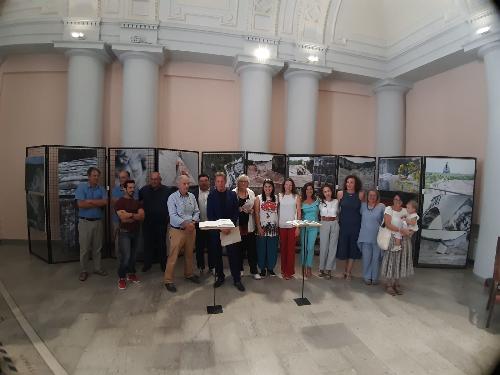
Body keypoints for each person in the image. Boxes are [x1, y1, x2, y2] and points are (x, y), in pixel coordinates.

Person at [207, 172, 245, 291]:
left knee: (233, 254)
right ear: (215, 182)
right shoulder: (211, 195)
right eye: (217, 181)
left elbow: (235, 212)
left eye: (222, 181)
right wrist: (220, 227)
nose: (220, 183)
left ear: (225, 181)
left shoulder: (232, 195)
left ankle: (236, 279)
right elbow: (210, 214)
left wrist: (229, 226)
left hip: (230, 229)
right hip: (217, 230)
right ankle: (220, 277)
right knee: (217, 254)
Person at [164, 175, 201, 293]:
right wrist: (186, 223)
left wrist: (194, 222)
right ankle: (168, 280)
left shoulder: (192, 196)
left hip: (191, 230)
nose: (187, 186)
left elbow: (197, 211)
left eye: (188, 184)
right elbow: (173, 216)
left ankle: (189, 274)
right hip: (177, 231)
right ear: (178, 185)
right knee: (173, 256)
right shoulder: (172, 198)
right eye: (184, 184)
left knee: (189, 254)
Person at [75, 167, 108, 281]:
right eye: (94, 175)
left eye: (97, 175)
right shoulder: (82, 187)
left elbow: (105, 202)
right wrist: (97, 203)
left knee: (97, 248)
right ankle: (83, 270)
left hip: (98, 222)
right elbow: (81, 204)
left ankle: (97, 268)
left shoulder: (102, 188)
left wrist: (90, 201)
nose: (96, 177)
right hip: (85, 223)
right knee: (84, 249)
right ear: (88, 176)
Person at [381, 194, 414, 296]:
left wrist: (410, 231)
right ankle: (389, 284)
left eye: (399, 200)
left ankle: (397, 283)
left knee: (400, 261)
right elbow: (388, 224)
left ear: (402, 202)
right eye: (395, 199)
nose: (397, 201)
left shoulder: (405, 211)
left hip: (404, 240)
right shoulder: (388, 209)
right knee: (391, 260)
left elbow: (412, 223)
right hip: (392, 239)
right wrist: (400, 230)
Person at [139, 172, 171, 272]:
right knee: (147, 244)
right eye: (152, 179)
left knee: (162, 244)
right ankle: (147, 264)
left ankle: (163, 264)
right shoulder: (144, 190)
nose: (154, 181)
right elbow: (138, 203)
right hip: (147, 222)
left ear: (160, 179)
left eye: (156, 179)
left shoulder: (167, 191)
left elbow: (172, 205)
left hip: (161, 222)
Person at [115, 180, 144, 290]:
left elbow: (142, 217)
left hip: (136, 232)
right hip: (124, 233)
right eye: (130, 188)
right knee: (126, 257)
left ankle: (131, 273)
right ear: (124, 188)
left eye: (133, 188)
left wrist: (129, 215)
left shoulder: (137, 202)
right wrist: (134, 215)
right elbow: (123, 218)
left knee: (133, 255)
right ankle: (122, 278)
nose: (132, 190)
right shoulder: (119, 202)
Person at [336, 175, 365, 281]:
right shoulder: (340, 193)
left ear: (355, 184)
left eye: (351, 182)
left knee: (353, 249)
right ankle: (346, 270)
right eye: (347, 182)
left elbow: (364, 209)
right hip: (343, 226)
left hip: (355, 226)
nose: (349, 184)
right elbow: (337, 210)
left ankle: (348, 272)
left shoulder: (361, 194)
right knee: (344, 249)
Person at [233, 174, 260, 279]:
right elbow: (229, 209)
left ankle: (254, 270)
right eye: (241, 181)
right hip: (238, 226)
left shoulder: (251, 192)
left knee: (252, 250)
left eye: (245, 182)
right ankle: (240, 269)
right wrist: (238, 209)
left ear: (248, 183)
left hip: (249, 226)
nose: (243, 183)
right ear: (238, 183)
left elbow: (254, 207)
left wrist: (251, 210)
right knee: (239, 250)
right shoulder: (233, 193)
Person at [358, 189, 385, 285]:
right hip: (365, 236)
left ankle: (374, 277)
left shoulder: (381, 206)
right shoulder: (363, 206)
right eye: (370, 195)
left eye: (374, 195)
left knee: (376, 258)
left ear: (377, 197)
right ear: (367, 196)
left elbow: (385, 221)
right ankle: (366, 276)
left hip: (377, 237)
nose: (372, 197)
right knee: (366, 258)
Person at [254, 179, 279, 278]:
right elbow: (256, 213)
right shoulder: (258, 198)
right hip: (262, 228)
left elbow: (278, 212)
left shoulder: (276, 198)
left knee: (272, 249)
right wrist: (259, 227)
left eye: (270, 186)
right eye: (266, 187)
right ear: (263, 188)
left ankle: (270, 268)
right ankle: (262, 268)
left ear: (272, 188)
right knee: (261, 249)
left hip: (273, 228)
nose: (268, 188)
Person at [278, 178, 301, 280]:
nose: (288, 186)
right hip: (281, 226)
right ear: (284, 185)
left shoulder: (296, 197)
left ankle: (289, 272)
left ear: (293, 186)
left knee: (291, 250)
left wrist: (297, 227)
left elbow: (299, 213)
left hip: (292, 226)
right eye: (286, 184)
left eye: (290, 185)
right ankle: (283, 270)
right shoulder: (279, 196)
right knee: (283, 249)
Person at [111, 170, 138, 257]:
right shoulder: (115, 190)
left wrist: (122, 202)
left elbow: (135, 204)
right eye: (119, 178)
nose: (121, 180)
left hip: (132, 220)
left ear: (128, 178)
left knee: (131, 243)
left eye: (123, 177)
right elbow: (115, 204)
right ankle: (120, 264)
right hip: (117, 220)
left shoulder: (136, 189)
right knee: (118, 243)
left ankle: (130, 264)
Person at [194, 173, 214, 275]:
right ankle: (200, 266)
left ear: (209, 181)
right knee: (199, 247)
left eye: (206, 180)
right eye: (201, 181)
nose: (204, 183)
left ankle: (212, 267)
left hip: (211, 224)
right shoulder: (193, 193)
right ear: (198, 182)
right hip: (198, 225)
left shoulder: (214, 192)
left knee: (212, 247)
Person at [318, 183, 339, 279]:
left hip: (334, 223)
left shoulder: (336, 201)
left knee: (332, 247)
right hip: (324, 223)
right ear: (323, 193)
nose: (327, 193)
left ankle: (329, 270)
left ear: (332, 191)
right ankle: (321, 268)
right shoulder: (320, 203)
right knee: (323, 246)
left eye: (329, 191)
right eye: (325, 191)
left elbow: (339, 213)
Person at [300, 182, 320, 279]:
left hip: (314, 227)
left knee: (310, 248)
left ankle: (309, 267)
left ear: (313, 190)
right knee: (304, 248)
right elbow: (299, 215)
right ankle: (303, 267)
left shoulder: (317, 201)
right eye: (307, 189)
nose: (309, 191)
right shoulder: (301, 201)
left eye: (311, 189)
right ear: (305, 190)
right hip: (304, 227)